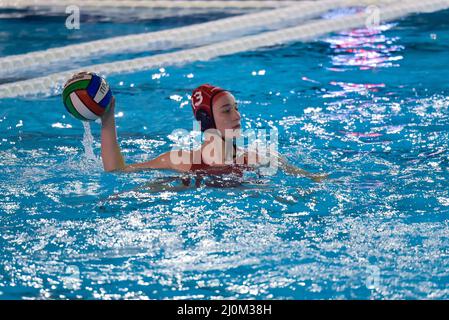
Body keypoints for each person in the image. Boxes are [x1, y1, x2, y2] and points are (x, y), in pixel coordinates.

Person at [100, 84, 327, 182]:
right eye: (227, 111)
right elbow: (117, 172)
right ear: (206, 119)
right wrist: (107, 121)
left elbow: (313, 179)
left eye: (237, 109)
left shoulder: (259, 157)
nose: (238, 116)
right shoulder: (181, 161)